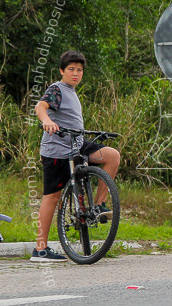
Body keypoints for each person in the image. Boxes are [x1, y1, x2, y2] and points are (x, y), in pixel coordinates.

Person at [34, 51, 121, 261]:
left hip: (77, 144)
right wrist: (46, 120)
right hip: (56, 149)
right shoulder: (57, 89)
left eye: (79, 70)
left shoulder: (72, 91)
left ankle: (99, 206)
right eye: (71, 69)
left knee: (112, 156)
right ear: (62, 71)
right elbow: (40, 107)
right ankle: (40, 249)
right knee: (52, 197)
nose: (75, 73)